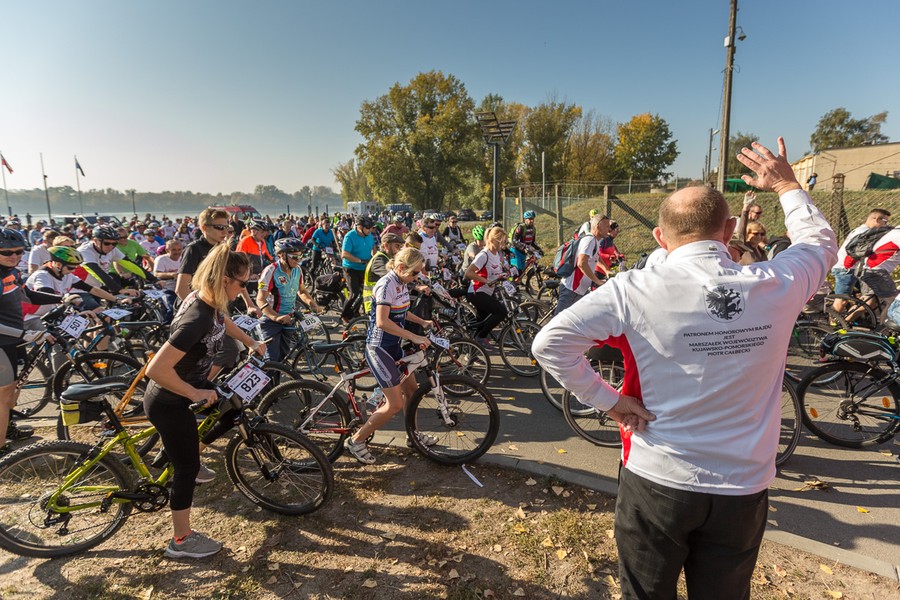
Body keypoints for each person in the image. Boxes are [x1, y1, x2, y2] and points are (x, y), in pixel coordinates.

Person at [533, 138, 837, 600]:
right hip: (743, 483)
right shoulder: (777, 282)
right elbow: (819, 243)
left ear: (659, 237)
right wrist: (787, 186)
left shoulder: (634, 289)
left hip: (659, 476)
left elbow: (550, 343)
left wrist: (610, 403)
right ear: (730, 229)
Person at [145, 245, 266, 558]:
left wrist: (249, 340)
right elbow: (155, 370)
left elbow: (224, 321)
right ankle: (181, 541)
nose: (245, 291)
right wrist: (195, 393)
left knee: (230, 411)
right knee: (186, 470)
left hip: (189, 385)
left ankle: (180, 450)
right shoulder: (196, 317)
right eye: (243, 284)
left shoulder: (210, 300)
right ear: (225, 280)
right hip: (170, 399)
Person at [343, 247, 435, 465]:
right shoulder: (386, 284)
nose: (417, 277)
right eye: (415, 273)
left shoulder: (402, 282)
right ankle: (356, 441)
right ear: (401, 267)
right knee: (394, 404)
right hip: (379, 348)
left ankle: (413, 436)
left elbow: (401, 310)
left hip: (394, 347)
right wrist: (414, 335)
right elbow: (383, 321)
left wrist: (421, 322)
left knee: (412, 392)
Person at [0, 229, 63, 453]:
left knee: (10, 391)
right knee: (4, 394)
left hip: (12, 340)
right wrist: (24, 335)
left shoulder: (12, 273)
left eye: (19, 252)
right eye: (8, 252)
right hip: (5, 341)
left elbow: (29, 296)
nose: (15, 256)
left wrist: (62, 298)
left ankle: (7, 427)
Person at [176, 208, 260, 379]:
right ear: (204, 228)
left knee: (231, 350)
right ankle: (200, 388)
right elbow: (181, 288)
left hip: (216, 306)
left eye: (227, 227)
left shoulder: (223, 249)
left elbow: (238, 279)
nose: (226, 231)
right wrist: (203, 309)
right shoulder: (194, 250)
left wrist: (250, 304)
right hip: (196, 311)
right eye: (219, 227)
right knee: (229, 348)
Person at [256, 238, 320, 363]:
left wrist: (313, 304)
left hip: (288, 320)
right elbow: (260, 299)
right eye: (294, 257)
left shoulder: (298, 270)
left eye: (300, 256)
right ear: (281, 255)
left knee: (283, 359)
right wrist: (275, 317)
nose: (298, 260)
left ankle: (278, 382)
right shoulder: (271, 271)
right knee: (272, 361)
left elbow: (301, 291)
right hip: (271, 321)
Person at [830, 209, 891, 313]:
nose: (886, 224)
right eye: (885, 221)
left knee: (870, 297)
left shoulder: (864, 231)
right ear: (876, 219)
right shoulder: (864, 233)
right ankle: (831, 325)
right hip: (845, 269)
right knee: (842, 299)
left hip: (854, 268)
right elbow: (859, 253)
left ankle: (850, 318)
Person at [555, 214, 610, 315]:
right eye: (607, 226)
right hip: (572, 289)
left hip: (580, 290)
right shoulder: (589, 240)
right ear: (598, 226)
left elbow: (595, 257)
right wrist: (597, 281)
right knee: (557, 325)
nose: (609, 229)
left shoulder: (595, 241)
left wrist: (606, 270)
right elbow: (582, 263)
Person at [464, 226, 509, 347]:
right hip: (477, 292)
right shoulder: (483, 255)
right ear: (493, 240)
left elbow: (494, 273)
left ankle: (472, 355)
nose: (503, 244)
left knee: (480, 325)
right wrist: (486, 281)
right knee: (501, 312)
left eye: (505, 241)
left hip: (487, 292)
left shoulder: (497, 254)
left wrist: (504, 275)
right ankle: (482, 336)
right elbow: (468, 273)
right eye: (502, 241)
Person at [340, 216, 375, 324]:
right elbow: (344, 254)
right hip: (351, 268)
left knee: (367, 290)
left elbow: (374, 249)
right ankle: (344, 315)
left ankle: (356, 311)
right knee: (354, 293)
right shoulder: (350, 236)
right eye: (367, 227)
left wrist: (376, 259)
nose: (370, 230)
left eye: (371, 227)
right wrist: (360, 260)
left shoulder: (369, 236)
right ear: (360, 227)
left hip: (364, 267)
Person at [362, 232, 406, 313]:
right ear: (386, 246)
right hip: (374, 303)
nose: (399, 249)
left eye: (400, 246)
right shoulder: (379, 259)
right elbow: (393, 276)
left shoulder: (389, 258)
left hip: (384, 299)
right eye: (397, 246)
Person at [235, 219, 273, 284]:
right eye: (262, 232)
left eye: (265, 232)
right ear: (254, 231)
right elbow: (238, 262)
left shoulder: (262, 241)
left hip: (259, 276)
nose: (264, 234)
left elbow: (268, 256)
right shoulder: (245, 242)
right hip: (248, 279)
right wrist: (249, 275)